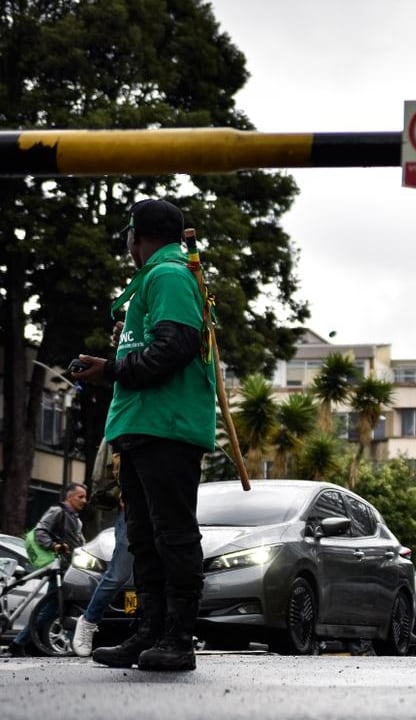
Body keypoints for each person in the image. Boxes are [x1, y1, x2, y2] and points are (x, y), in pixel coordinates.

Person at [70, 198, 216, 673]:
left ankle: (178, 637)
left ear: (136, 236)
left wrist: (110, 368)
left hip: (167, 426)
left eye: (128, 236)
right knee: (145, 537)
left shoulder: (169, 274)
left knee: (172, 534)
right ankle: (150, 632)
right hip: (141, 425)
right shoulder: (154, 279)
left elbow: (176, 345)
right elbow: (159, 342)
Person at [8, 484, 87, 656]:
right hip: (59, 568)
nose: (84, 501)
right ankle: (18, 643)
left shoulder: (76, 519)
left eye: (85, 497)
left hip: (70, 570)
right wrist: (54, 546)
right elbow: (41, 531)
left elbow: (80, 545)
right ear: (69, 497)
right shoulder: (58, 512)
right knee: (51, 607)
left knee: (60, 608)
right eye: (80, 497)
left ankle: (22, 644)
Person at [71, 509, 134, 657]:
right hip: (134, 511)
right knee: (119, 574)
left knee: (155, 576)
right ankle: (89, 620)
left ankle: (155, 632)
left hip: (163, 511)